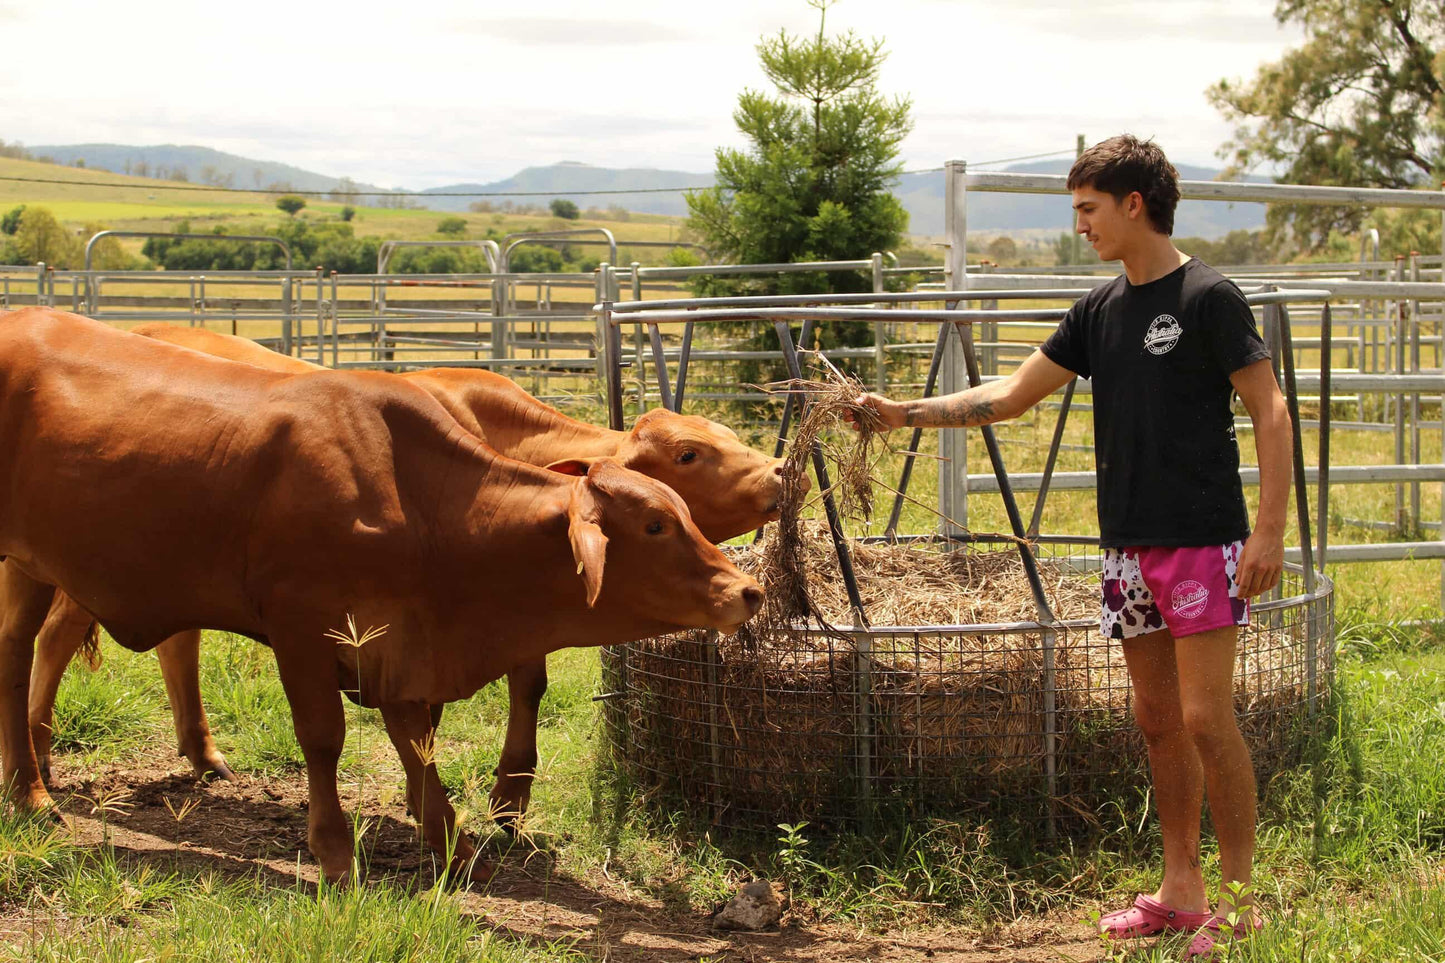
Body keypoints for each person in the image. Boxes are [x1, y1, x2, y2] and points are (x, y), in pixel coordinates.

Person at [850, 134, 1289, 957]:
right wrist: (902, 412)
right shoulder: (1097, 311)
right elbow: (1012, 396)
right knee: (1157, 720)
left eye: (1087, 208)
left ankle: (1240, 902)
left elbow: (1269, 408)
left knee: (1203, 716)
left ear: (1133, 203)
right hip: (1125, 548)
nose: (1080, 224)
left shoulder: (1207, 296)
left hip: (1200, 542)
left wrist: (1267, 529)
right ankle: (1179, 890)